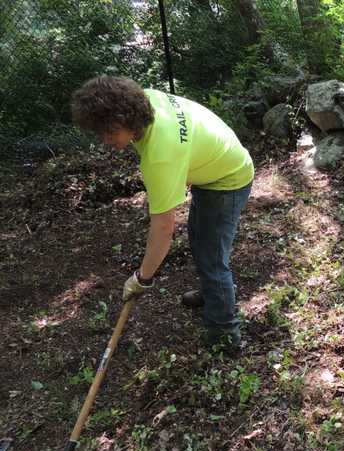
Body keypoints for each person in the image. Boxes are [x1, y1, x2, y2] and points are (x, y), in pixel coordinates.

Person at [71, 76, 254, 348]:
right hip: (216, 163)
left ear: (127, 119)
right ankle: (212, 294)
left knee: (212, 258)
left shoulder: (160, 155)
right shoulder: (144, 100)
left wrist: (141, 278)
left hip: (227, 179)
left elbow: (164, 228)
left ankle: (225, 336)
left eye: (109, 132)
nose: (104, 141)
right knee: (201, 240)